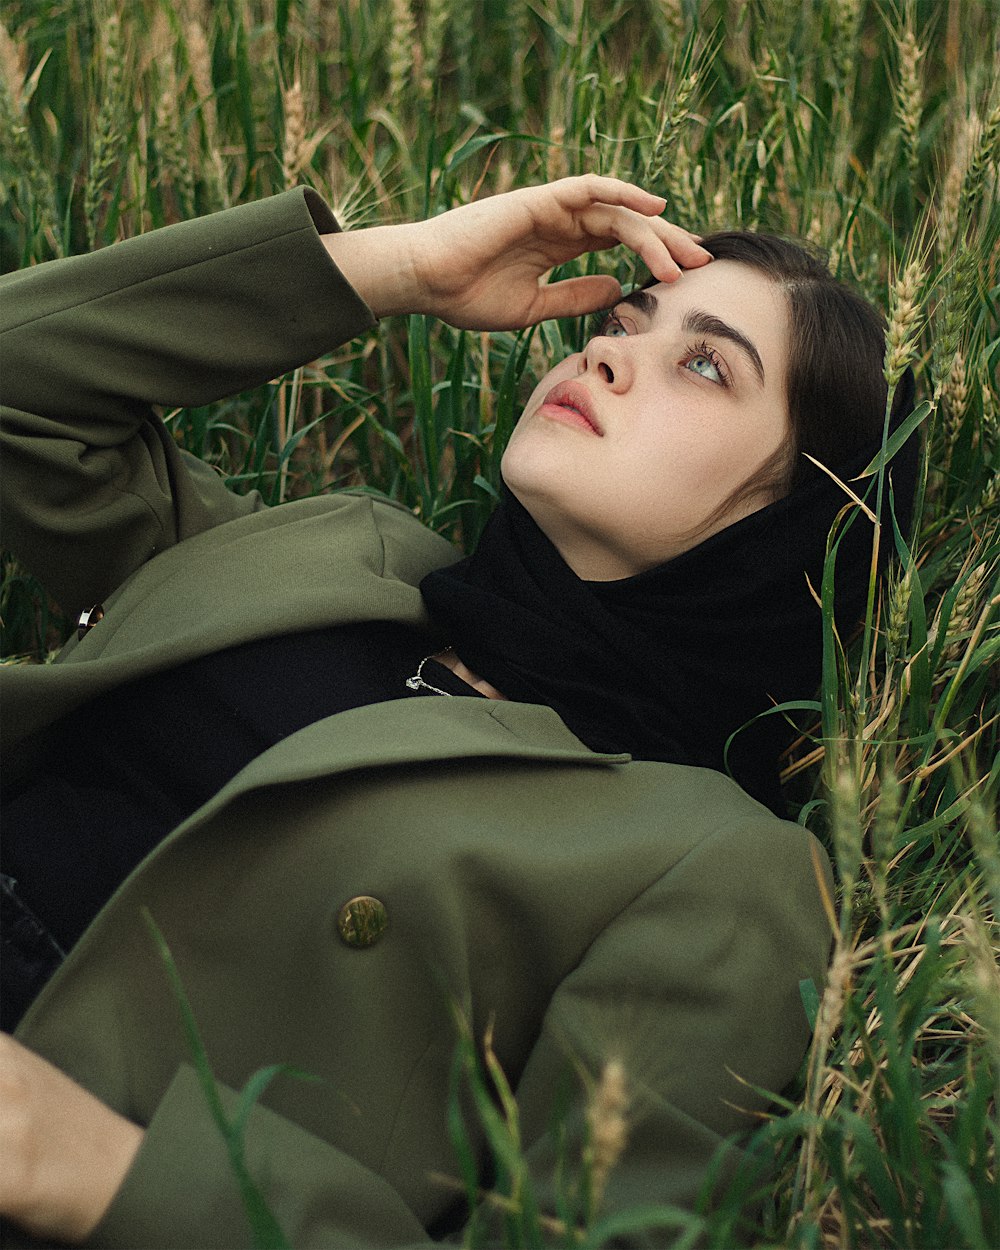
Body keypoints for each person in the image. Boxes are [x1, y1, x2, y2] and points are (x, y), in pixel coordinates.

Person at [0, 176, 916, 1247]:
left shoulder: (715, 864)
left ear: (803, 518)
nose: (607, 352)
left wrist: (88, 1163)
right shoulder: (345, 551)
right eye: (623, 322)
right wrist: (401, 270)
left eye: (704, 364)